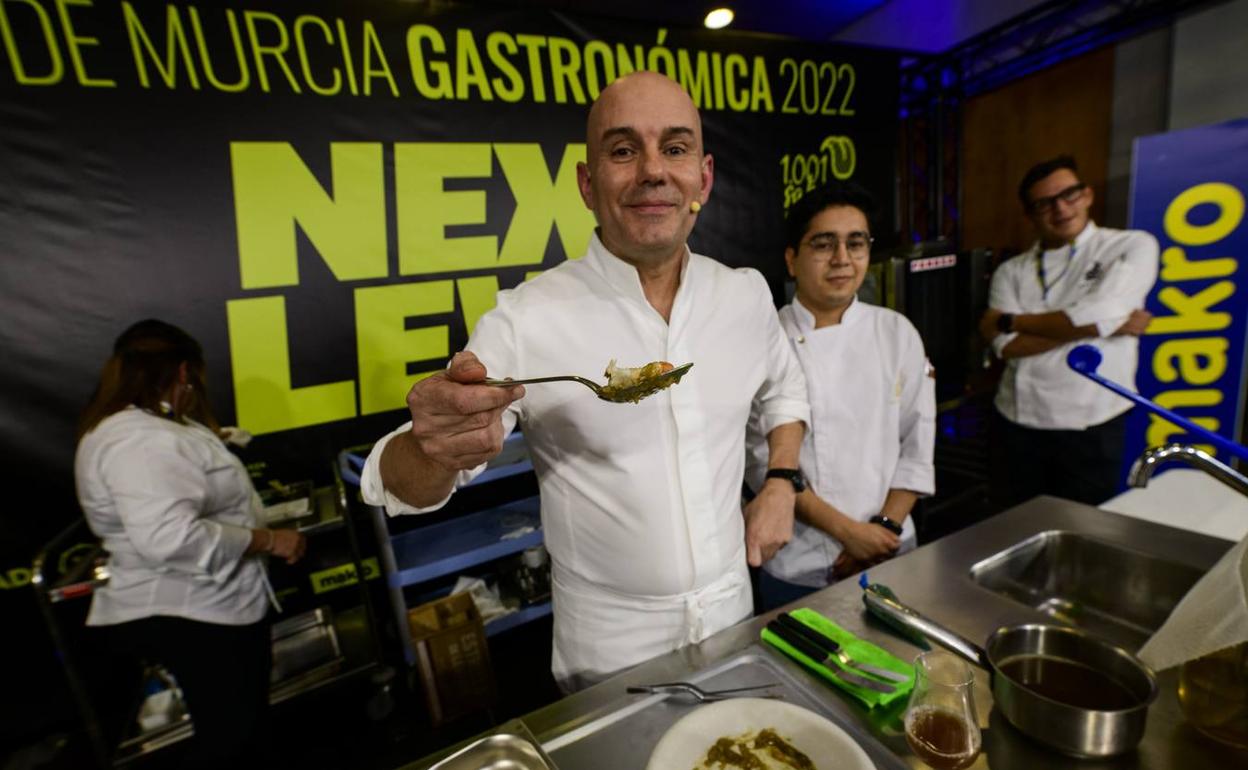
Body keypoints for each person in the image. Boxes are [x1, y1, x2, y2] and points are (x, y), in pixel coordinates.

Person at [361, 71, 809, 690]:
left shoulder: (746, 294)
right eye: (623, 150)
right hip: (610, 645)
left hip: (734, 614)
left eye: (674, 148)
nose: (653, 170)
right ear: (586, 183)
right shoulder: (525, 318)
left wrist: (781, 481)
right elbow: (408, 484)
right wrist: (429, 447)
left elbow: (785, 391)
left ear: (702, 177)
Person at [75, 319, 306, 767]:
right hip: (190, 609)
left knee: (243, 726)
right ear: (184, 372)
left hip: (211, 603)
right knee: (232, 738)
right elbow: (167, 536)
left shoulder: (151, 426)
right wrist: (268, 540)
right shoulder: (140, 440)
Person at [746, 182, 936, 611]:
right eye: (824, 244)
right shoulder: (765, 339)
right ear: (792, 259)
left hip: (892, 551)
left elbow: (917, 444)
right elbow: (763, 460)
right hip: (799, 564)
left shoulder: (896, 332)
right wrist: (849, 534)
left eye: (856, 243)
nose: (842, 259)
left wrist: (882, 530)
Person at [979, 155, 1159, 507]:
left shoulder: (1130, 246)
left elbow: (1098, 316)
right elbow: (1006, 346)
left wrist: (1012, 320)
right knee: (1012, 523)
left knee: (1085, 528)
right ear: (1030, 215)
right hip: (1016, 421)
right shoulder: (1011, 271)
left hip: (1091, 423)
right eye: (1045, 203)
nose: (1061, 209)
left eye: (1069, 195)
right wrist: (1103, 326)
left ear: (1087, 195)